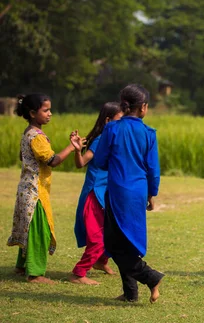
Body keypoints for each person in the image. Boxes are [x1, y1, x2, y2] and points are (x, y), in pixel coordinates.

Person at [94, 84, 163, 303]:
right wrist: (151, 194)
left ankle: (151, 277)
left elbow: (100, 161)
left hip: (117, 193)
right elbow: (153, 170)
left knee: (114, 244)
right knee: (129, 242)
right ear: (143, 107)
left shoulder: (111, 129)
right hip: (139, 193)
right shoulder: (148, 133)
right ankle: (130, 293)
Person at [7, 93, 75, 284]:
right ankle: (35, 273)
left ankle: (21, 266)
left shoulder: (28, 132)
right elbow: (52, 161)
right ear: (32, 112)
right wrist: (71, 147)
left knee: (29, 227)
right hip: (35, 191)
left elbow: (23, 157)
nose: (50, 114)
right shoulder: (37, 137)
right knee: (38, 231)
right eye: (45, 110)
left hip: (26, 188)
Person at [68, 102, 122, 285]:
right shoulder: (100, 141)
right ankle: (79, 273)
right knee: (97, 237)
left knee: (112, 233)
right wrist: (77, 150)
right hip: (95, 195)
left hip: (106, 195)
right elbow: (81, 162)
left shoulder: (113, 140)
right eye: (119, 120)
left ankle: (100, 261)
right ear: (108, 121)